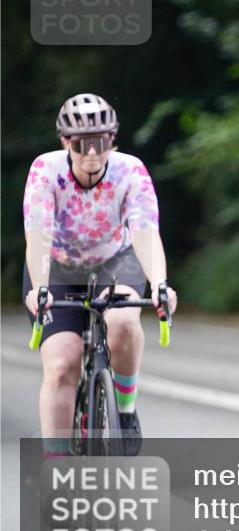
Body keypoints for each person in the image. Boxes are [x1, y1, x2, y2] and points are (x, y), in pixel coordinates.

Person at [23, 93, 177, 458]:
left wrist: (158, 284)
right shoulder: (46, 170)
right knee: (62, 364)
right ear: (65, 143)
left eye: (101, 142)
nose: (92, 153)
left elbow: (144, 232)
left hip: (115, 261)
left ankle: (125, 411)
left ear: (113, 139)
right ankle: (58, 465)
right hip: (58, 267)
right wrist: (40, 287)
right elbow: (38, 234)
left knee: (124, 322)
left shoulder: (130, 170)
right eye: (81, 144)